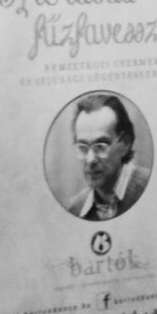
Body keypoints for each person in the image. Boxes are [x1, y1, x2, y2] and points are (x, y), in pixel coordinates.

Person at [65, 93, 149, 221]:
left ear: (125, 143)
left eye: (100, 146)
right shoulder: (75, 209)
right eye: (83, 147)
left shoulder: (151, 188)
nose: (90, 159)